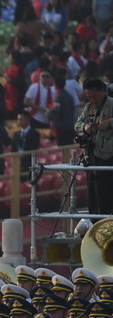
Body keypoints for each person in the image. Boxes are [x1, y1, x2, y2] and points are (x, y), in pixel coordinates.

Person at [75, 78, 113, 215]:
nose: (92, 100)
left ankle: (106, 223)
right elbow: (77, 124)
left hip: (109, 155)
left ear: (103, 91)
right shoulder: (89, 107)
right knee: (93, 191)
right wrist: (85, 127)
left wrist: (110, 123)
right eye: (89, 97)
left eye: (95, 97)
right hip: (91, 153)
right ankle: (94, 221)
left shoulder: (111, 104)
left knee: (105, 192)